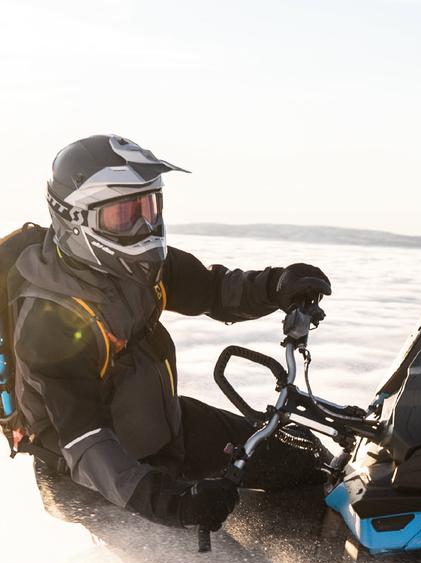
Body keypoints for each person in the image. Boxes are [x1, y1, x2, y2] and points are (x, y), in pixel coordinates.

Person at [8, 134, 332, 533]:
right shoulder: (50, 319)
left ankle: (306, 545)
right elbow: (86, 443)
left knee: (304, 462)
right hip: (100, 485)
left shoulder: (139, 269)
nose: (145, 225)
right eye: (124, 215)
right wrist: (173, 504)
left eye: (149, 206)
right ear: (76, 220)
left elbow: (214, 290)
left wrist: (276, 285)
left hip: (165, 429)